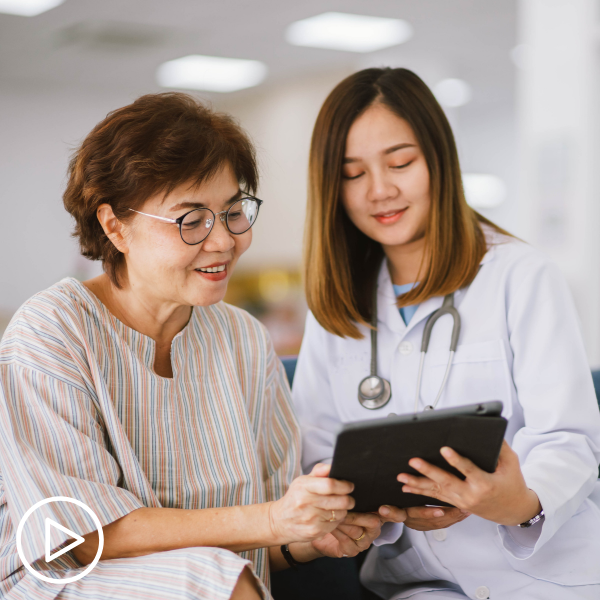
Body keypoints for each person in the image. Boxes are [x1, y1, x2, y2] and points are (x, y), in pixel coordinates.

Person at [0, 92, 384, 600]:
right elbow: (81, 534)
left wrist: (306, 538)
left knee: (216, 575)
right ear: (115, 226)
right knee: (208, 579)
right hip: (66, 578)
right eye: (191, 219)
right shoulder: (51, 330)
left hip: (221, 580)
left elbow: (257, 538)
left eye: (232, 212)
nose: (223, 240)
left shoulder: (243, 339)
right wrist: (273, 521)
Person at [292, 67, 600, 599]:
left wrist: (517, 503)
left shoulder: (520, 275)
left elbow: (568, 440)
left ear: (439, 159)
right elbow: (319, 454)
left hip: (550, 577)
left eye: (400, 163)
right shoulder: (335, 306)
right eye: (353, 173)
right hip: (420, 583)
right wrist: (377, 506)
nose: (380, 190)